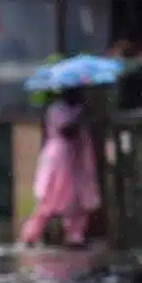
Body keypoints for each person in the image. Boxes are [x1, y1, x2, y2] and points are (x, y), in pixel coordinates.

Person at [19, 91, 101, 249]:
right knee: (50, 199)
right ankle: (30, 235)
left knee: (79, 201)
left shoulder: (79, 109)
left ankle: (75, 237)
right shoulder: (56, 109)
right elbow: (65, 129)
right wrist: (80, 117)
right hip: (60, 157)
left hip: (77, 158)